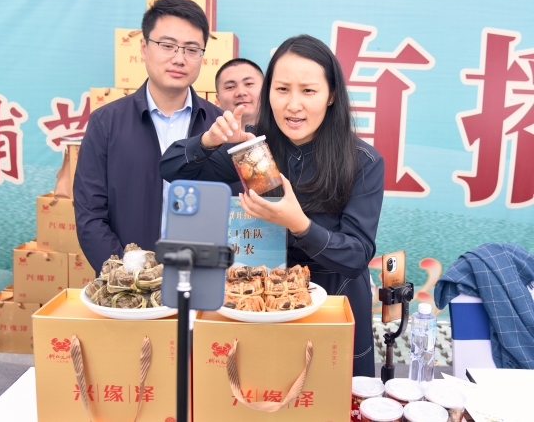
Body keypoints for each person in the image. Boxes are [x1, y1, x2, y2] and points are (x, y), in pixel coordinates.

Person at [160, 34, 385, 377]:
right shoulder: (253, 148)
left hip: (332, 306)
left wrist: (300, 225)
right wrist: (209, 141)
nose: (293, 105)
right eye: (282, 89)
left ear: (331, 95)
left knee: (330, 397)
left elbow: (357, 256)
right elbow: (171, 168)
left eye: (308, 91)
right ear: (268, 94)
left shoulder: (362, 161)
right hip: (261, 304)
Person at [73, 0, 222, 275]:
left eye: (192, 49)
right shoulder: (105, 123)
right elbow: (90, 215)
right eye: (167, 46)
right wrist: (129, 276)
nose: (179, 58)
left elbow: (236, 214)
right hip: (128, 286)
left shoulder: (219, 126)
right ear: (144, 48)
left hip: (202, 280)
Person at [214, 58, 264, 131]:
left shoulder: (281, 133)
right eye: (230, 87)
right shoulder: (207, 136)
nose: (241, 92)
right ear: (218, 99)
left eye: (249, 84)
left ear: (266, 91)